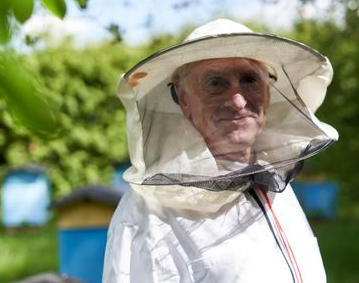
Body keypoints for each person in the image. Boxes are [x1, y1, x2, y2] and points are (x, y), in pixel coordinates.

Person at [103, 19, 338, 283]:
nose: (238, 101)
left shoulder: (274, 180)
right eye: (216, 83)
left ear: (268, 93)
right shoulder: (147, 214)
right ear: (184, 99)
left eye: (250, 79)